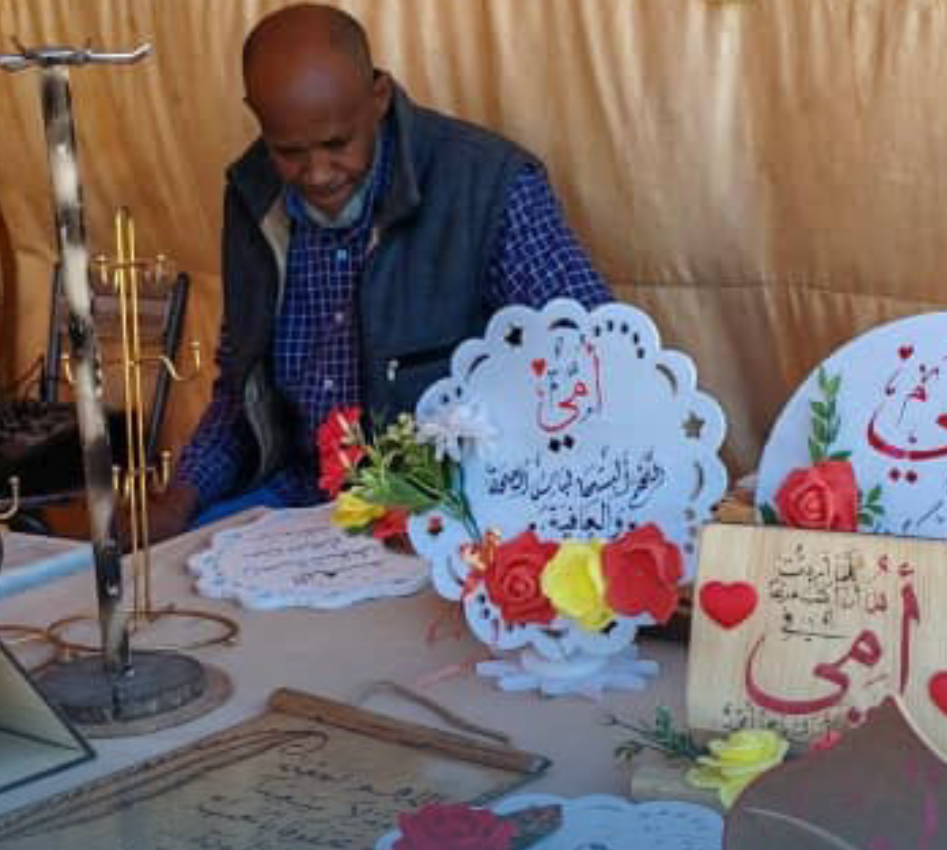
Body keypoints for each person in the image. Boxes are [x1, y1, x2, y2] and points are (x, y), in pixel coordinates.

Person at [147, 3, 611, 541]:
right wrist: (178, 501)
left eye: (336, 144)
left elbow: (598, 362)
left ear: (379, 97)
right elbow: (239, 393)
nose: (317, 174)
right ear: (258, 118)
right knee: (174, 570)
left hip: (448, 505)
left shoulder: (486, 186)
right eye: (289, 151)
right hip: (301, 498)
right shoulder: (253, 197)